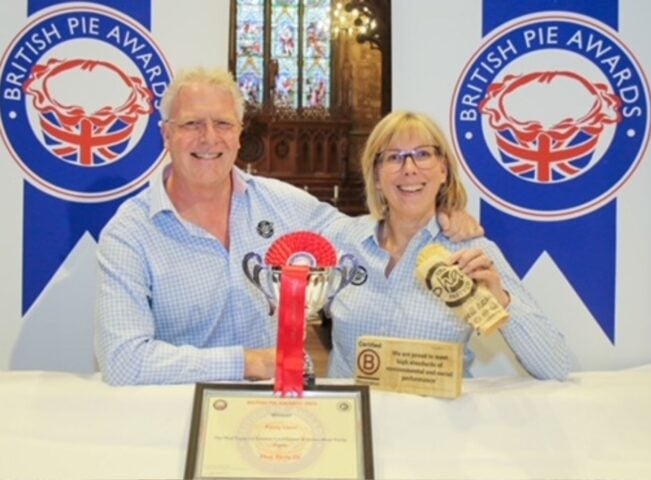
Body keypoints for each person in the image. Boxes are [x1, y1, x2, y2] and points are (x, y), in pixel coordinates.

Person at [94, 67, 481, 385]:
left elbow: (367, 236)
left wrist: (436, 214)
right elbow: (124, 361)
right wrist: (249, 363)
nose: (209, 138)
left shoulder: (282, 205)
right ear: (166, 134)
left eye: (223, 124)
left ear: (240, 133)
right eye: (192, 123)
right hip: (172, 421)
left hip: (273, 415)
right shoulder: (130, 233)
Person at [324, 111, 571, 381]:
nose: (409, 168)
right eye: (394, 157)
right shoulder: (342, 241)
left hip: (438, 420)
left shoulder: (471, 252)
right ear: (376, 177)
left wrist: (503, 302)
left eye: (423, 154)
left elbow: (555, 368)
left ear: (443, 170)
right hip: (356, 418)